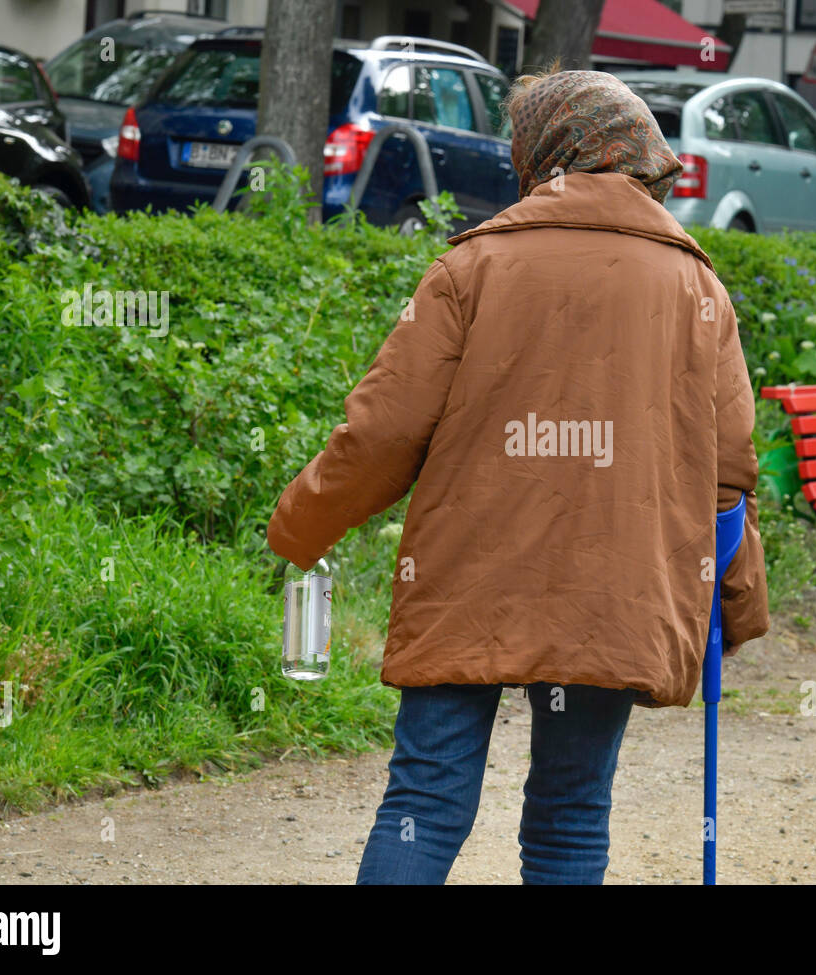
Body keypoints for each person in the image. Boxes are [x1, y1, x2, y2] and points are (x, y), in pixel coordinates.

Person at [267, 66, 769, 885]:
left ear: (541, 153)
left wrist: (300, 527)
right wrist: (735, 603)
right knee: (572, 814)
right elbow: (728, 471)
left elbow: (384, 430)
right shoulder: (695, 285)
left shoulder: (474, 267)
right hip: (616, 585)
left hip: (467, 573)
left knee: (424, 799)